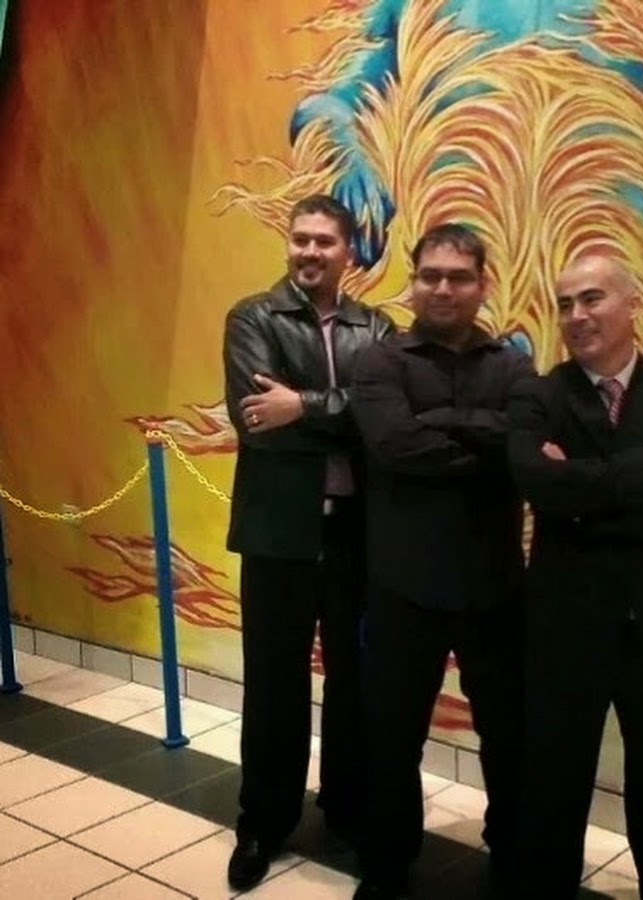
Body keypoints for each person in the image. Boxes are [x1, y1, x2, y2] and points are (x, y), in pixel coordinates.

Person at [507, 253, 643, 900]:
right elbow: (539, 485)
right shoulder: (538, 395)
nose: (576, 315)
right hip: (565, 627)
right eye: (565, 304)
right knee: (554, 783)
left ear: (633, 305)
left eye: (592, 298)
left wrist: (582, 488)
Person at [350, 224, 534, 900]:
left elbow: (522, 449)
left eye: (458, 277)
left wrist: (443, 424)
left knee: (510, 739)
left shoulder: (514, 366)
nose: (443, 288)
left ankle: (513, 858)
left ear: (483, 285)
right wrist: (483, 439)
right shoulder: (380, 363)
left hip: (495, 589)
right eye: (431, 276)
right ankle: (386, 865)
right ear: (413, 282)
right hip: (404, 586)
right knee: (391, 740)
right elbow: (394, 447)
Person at [223, 194, 394, 891]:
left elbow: (384, 418)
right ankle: (263, 822)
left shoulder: (376, 327)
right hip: (276, 534)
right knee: (273, 685)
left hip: (356, 535)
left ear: (348, 251)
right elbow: (256, 422)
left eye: (324, 241)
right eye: (301, 239)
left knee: (356, 684)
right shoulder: (252, 318)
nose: (310, 252)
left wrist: (302, 405)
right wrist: (337, 415)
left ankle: (347, 809)